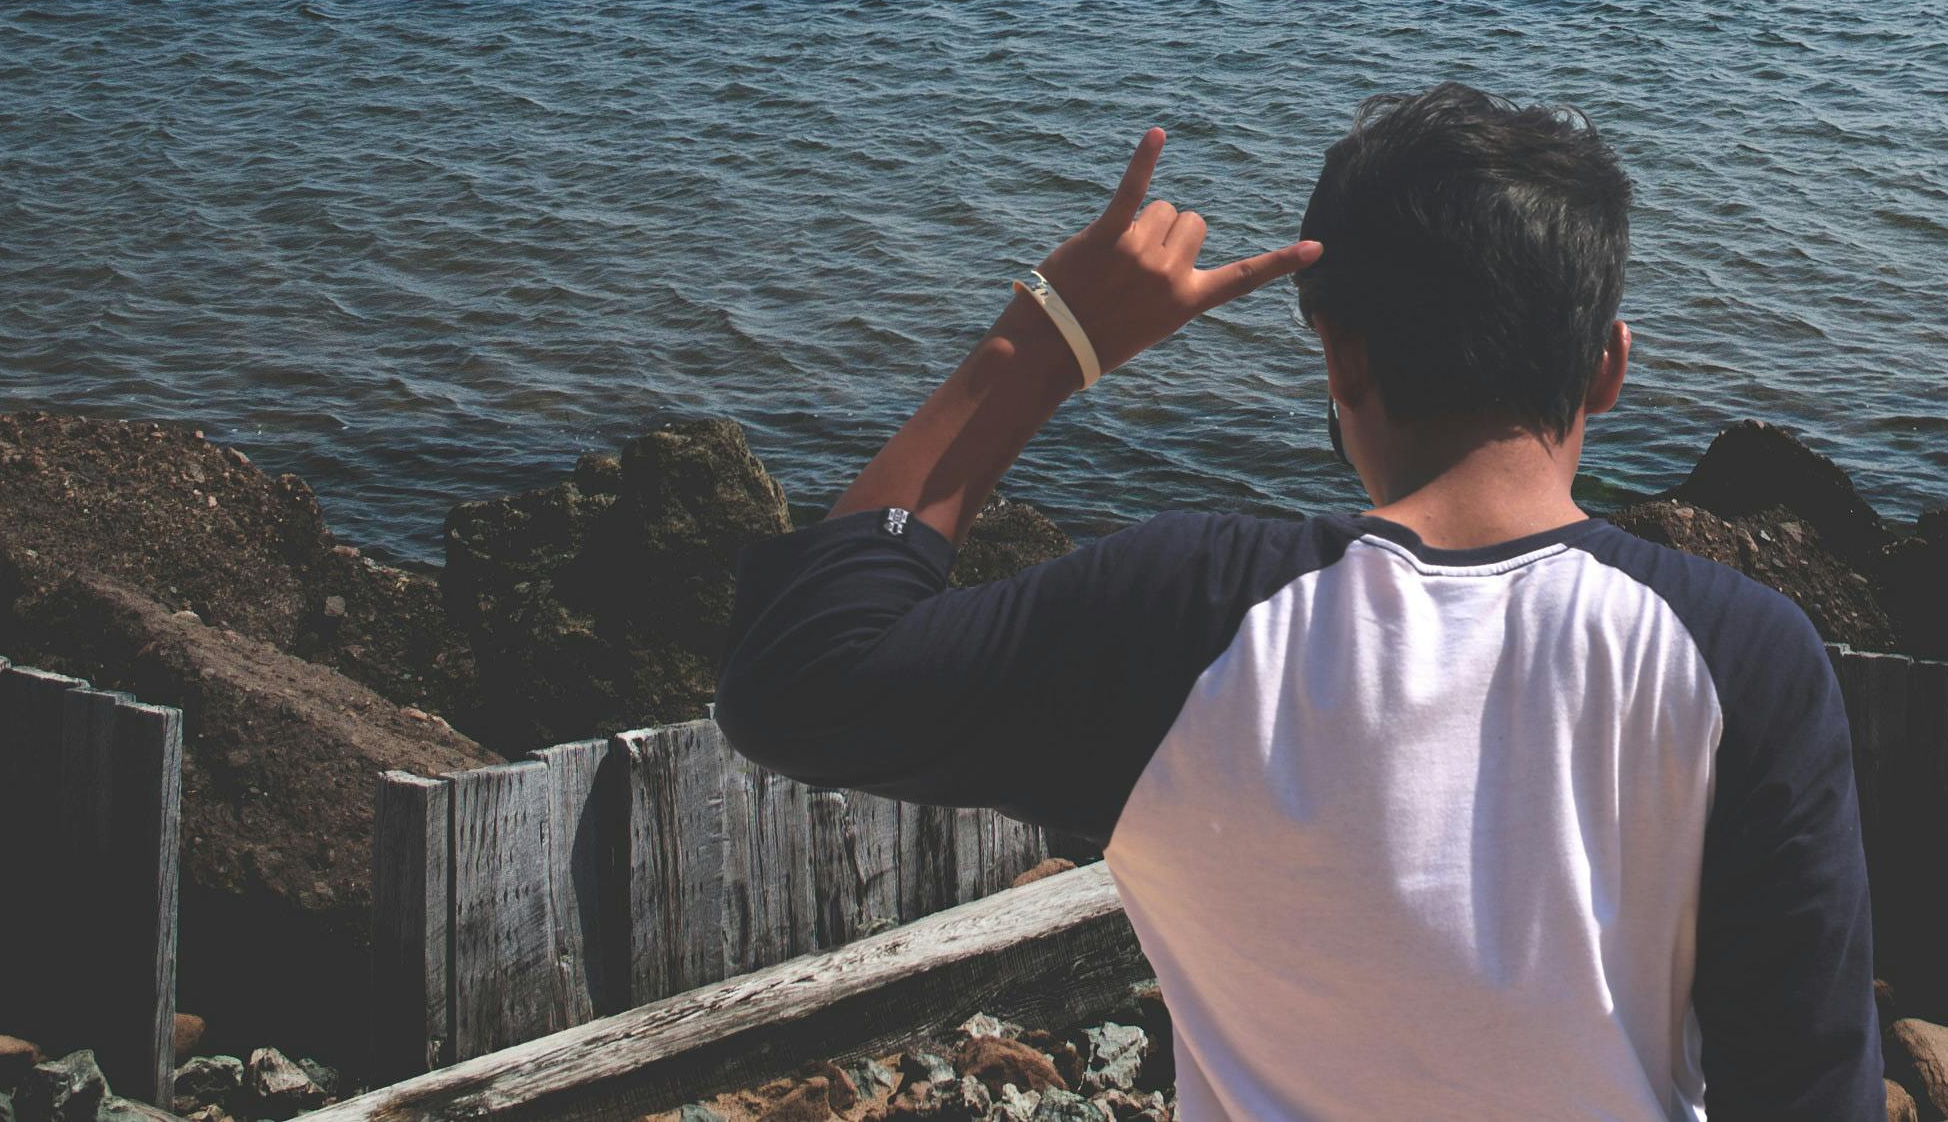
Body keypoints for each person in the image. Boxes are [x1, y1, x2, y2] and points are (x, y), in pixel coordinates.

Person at [716, 88, 1876, 1122]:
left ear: (1343, 364)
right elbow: (1806, 1087)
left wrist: (1046, 338)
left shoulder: (1186, 618)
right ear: (1609, 366)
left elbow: (807, 670)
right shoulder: (1743, 655)